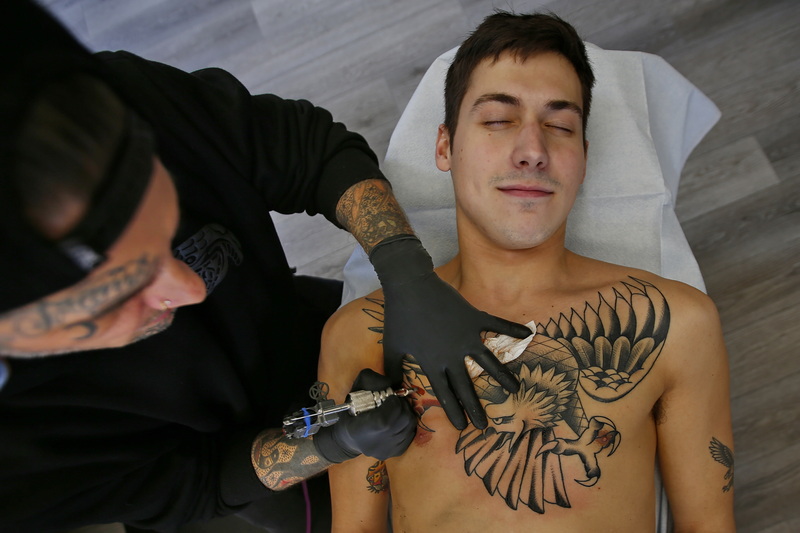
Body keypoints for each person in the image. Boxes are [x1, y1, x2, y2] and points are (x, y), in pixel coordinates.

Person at [0, 1, 533, 531]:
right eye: (117, 295)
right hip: (244, 472)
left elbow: (307, 150)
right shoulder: (16, 471)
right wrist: (330, 443)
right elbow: (198, 482)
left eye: (170, 232)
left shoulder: (105, 107)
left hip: (292, 325)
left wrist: (405, 270)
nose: (191, 289)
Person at [319, 11, 736, 533]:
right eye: (499, 120)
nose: (534, 151)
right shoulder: (363, 334)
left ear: (582, 157)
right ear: (445, 146)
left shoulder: (678, 325)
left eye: (560, 126)